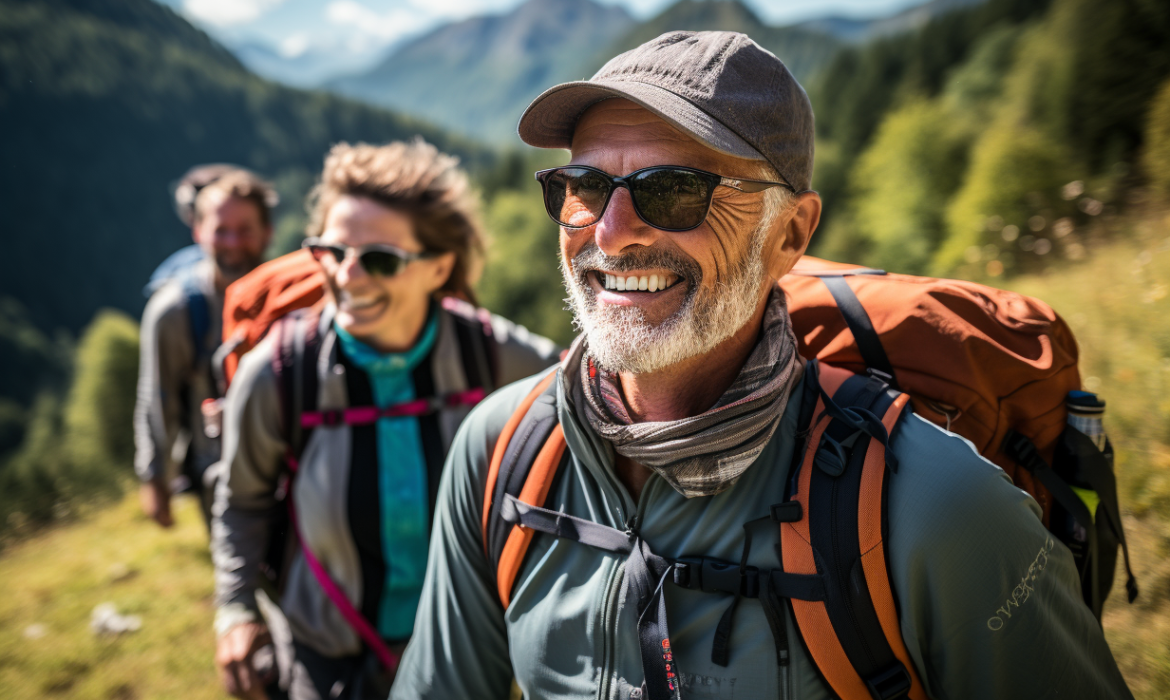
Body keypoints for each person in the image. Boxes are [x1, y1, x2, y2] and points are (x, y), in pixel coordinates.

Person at [391, 32, 1134, 700]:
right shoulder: (501, 452)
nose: (611, 236)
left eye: (675, 191)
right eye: (584, 188)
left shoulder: (936, 506)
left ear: (791, 234)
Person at [210, 140, 559, 700]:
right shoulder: (277, 374)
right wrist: (234, 611)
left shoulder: (492, 356)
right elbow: (242, 501)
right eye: (331, 252)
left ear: (439, 266)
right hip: (323, 662)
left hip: (465, 653)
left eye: (379, 259)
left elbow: (591, 398)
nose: (348, 277)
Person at [135, 167, 275, 529]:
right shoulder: (174, 311)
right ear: (198, 232)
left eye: (245, 230)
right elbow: (157, 397)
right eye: (221, 230)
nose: (232, 242)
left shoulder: (292, 298)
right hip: (218, 474)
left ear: (267, 232)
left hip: (292, 466)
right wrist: (155, 478)